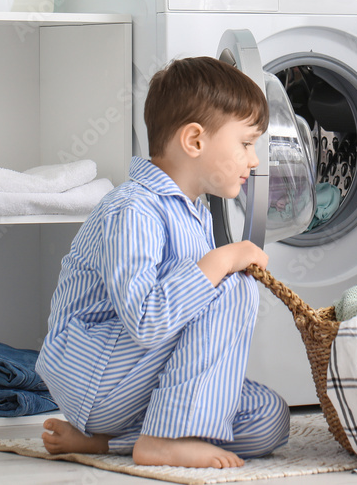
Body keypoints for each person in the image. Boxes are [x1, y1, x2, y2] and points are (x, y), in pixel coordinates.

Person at [35, 57, 290, 468]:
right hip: (96, 377)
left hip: (139, 383)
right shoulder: (134, 209)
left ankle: (110, 443)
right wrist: (221, 260)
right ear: (194, 141)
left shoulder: (195, 213)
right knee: (234, 286)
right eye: (245, 143)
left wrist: (216, 265)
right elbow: (147, 320)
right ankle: (163, 440)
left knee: (268, 418)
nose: (254, 160)